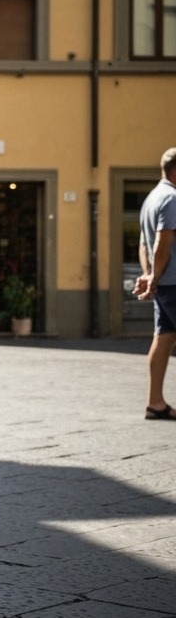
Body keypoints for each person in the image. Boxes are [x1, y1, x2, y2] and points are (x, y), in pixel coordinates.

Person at [134, 147, 176, 420]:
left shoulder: (152, 198)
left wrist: (149, 275)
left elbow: (143, 244)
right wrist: (154, 278)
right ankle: (155, 402)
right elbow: (162, 240)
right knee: (163, 338)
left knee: (163, 338)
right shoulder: (172, 198)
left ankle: (155, 402)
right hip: (173, 282)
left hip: (164, 283)